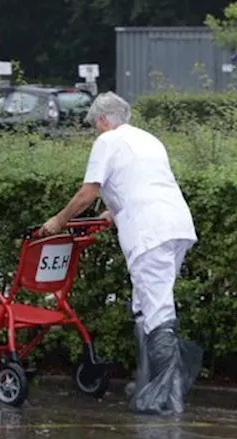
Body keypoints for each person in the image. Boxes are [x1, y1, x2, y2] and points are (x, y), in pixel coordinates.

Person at [40, 92, 201, 414]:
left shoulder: (108, 141)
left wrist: (58, 221)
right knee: (145, 305)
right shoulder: (149, 140)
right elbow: (143, 184)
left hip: (149, 233)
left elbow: (88, 192)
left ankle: (167, 397)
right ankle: (148, 382)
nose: (96, 132)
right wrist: (111, 214)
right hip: (177, 226)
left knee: (156, 310)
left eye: (95, 126)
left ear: (101, 120)